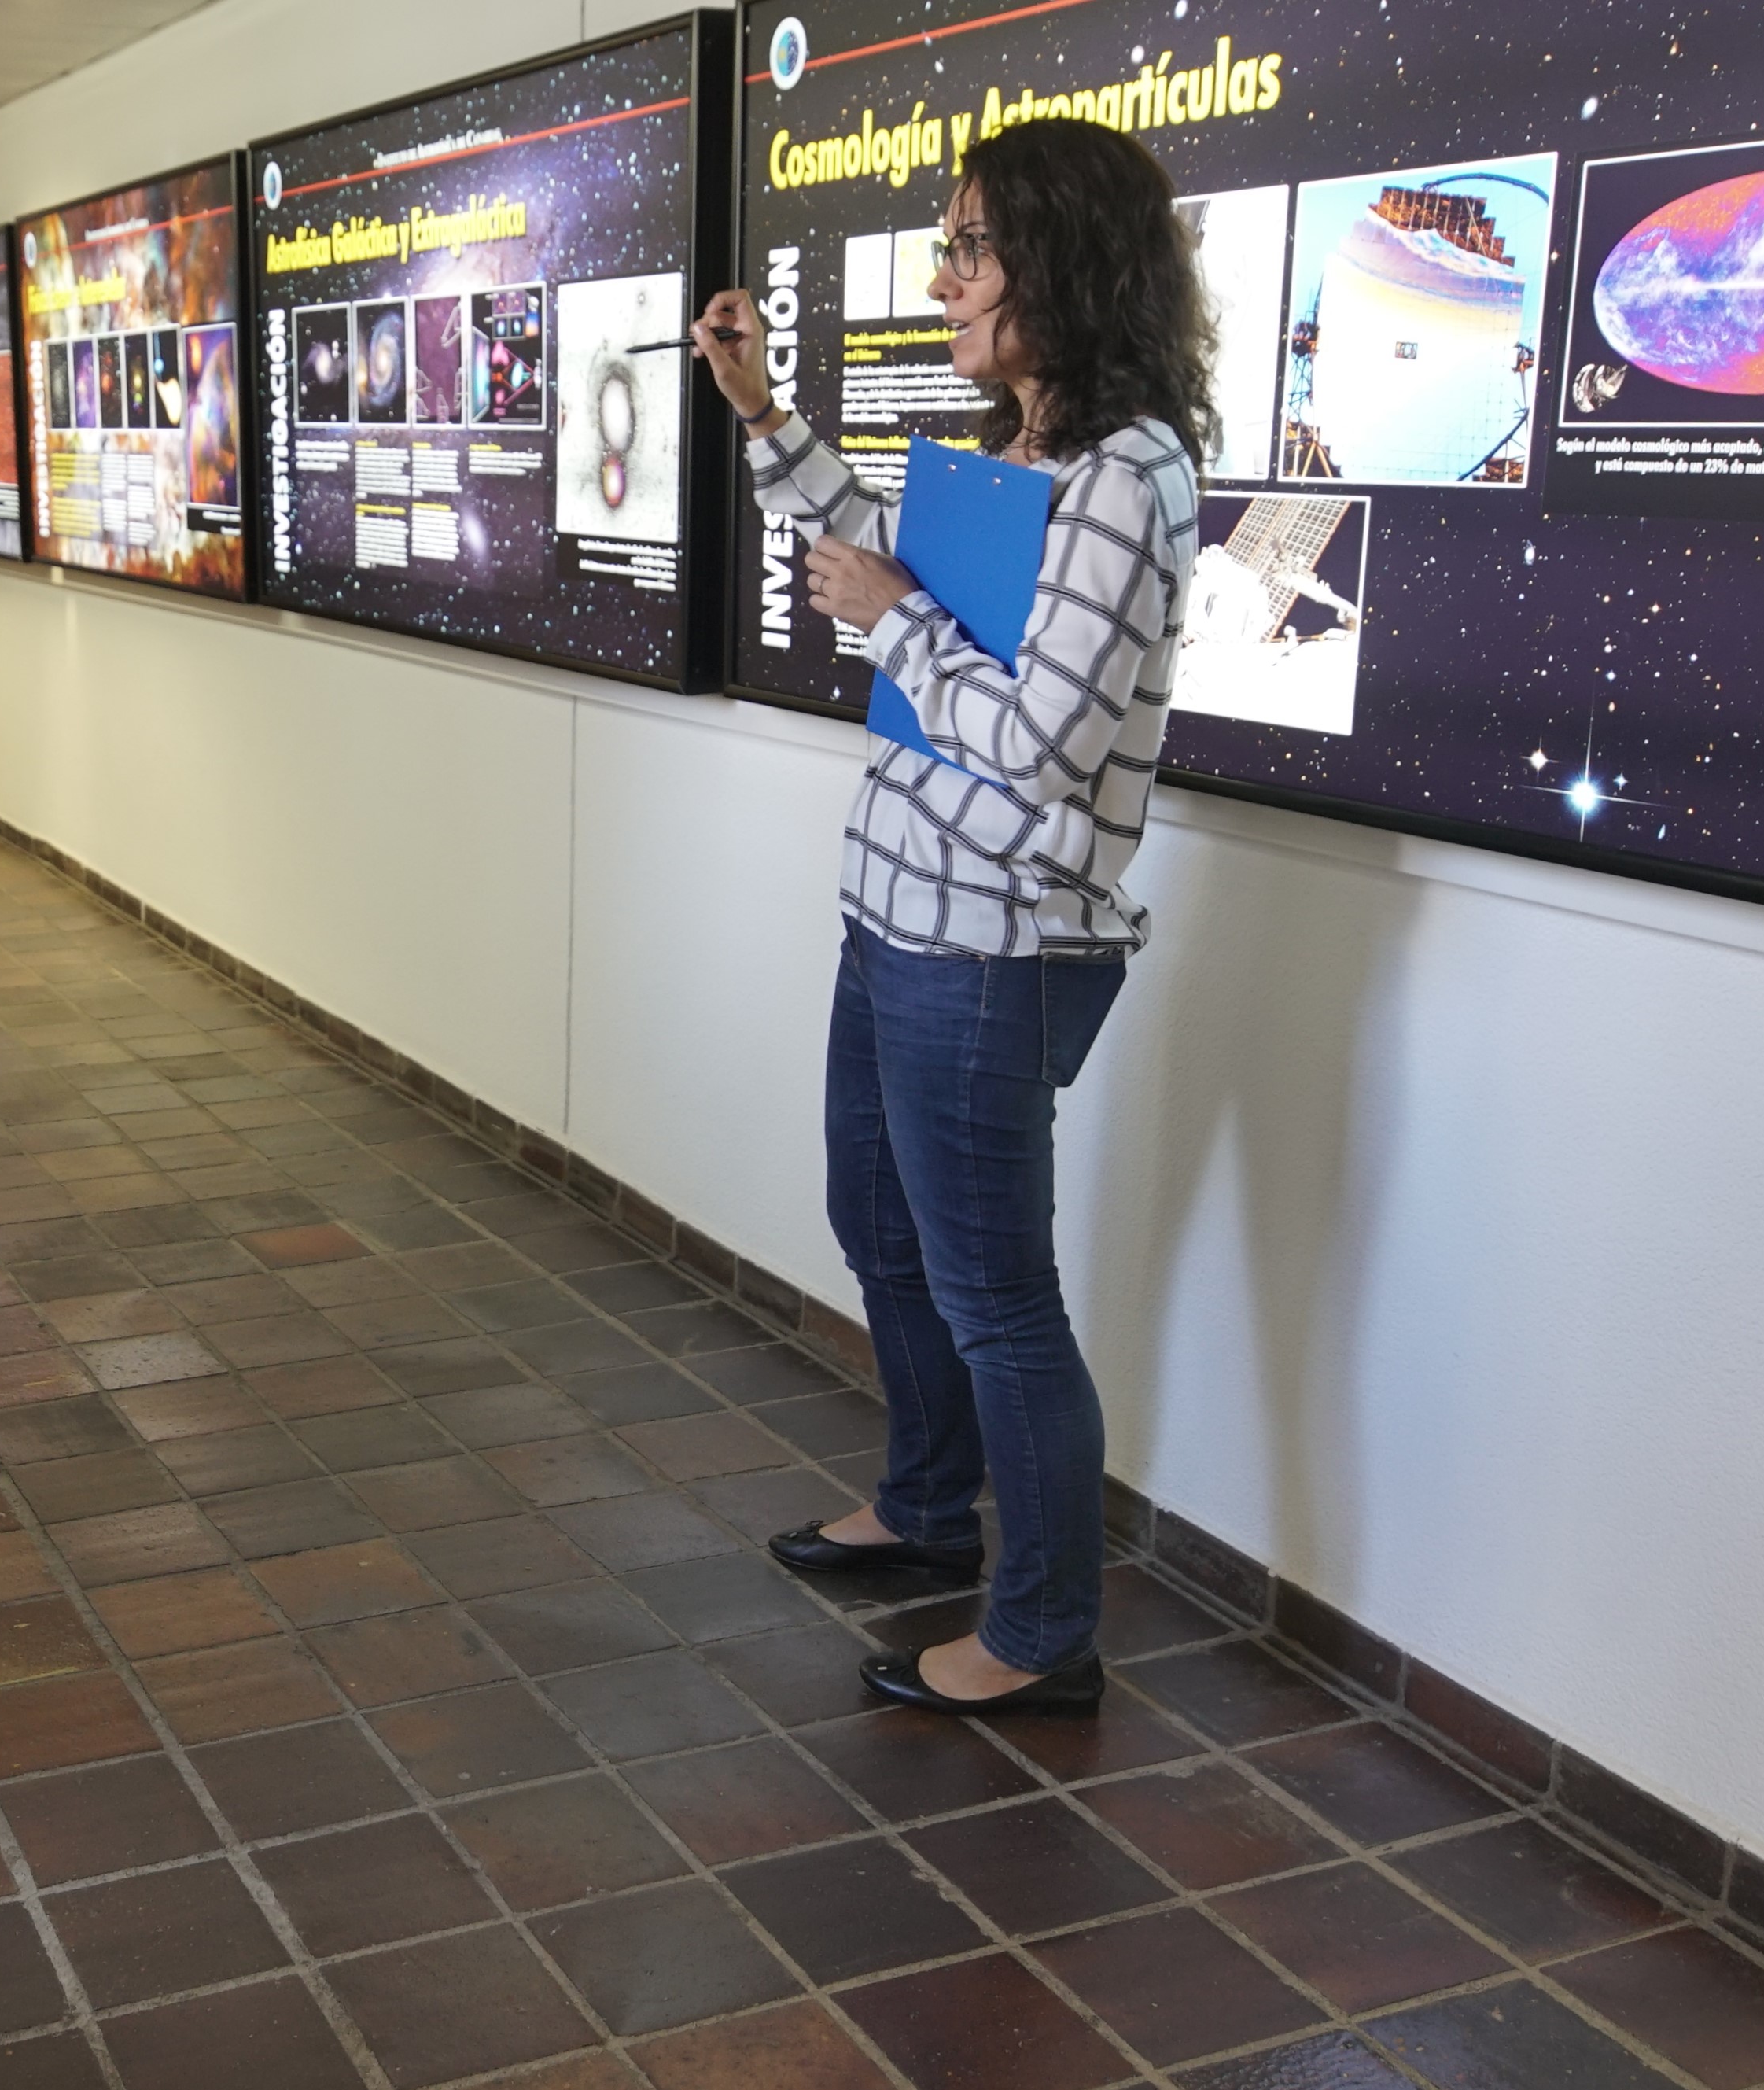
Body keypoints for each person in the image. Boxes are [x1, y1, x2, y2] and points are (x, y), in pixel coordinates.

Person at [692, 117, 1212, 1716]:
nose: (944, 278)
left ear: (1061, 259)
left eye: (970, 247)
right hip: (897, 914)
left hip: (991, 944)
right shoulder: (1023, 459)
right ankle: (926, 1503)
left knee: (996, 1298)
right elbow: (876, 550)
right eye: (949, 245)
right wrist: (762, 413)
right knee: (879, 1226)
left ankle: (1043, 1634)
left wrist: (899, 622)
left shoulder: (1126, 477)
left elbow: (1044, 738)